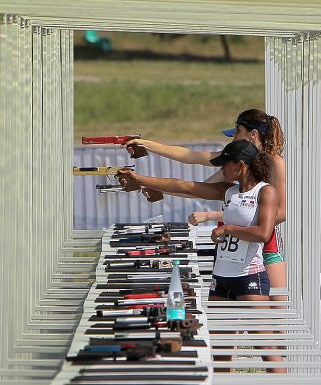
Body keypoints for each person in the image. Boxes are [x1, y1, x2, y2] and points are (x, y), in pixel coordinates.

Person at [117, 139, 282, 372]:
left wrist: (227, 228)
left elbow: (264, 234)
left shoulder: (266, 191)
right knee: (220, 353)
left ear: (241, 165)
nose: (221, 169)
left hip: (249, 278)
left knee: (266, 349)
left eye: (225, 163)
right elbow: (184, 186)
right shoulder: (228, 191)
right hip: (221, 279)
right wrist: (139, 179)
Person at [126, 109, 288, 299]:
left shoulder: (273, 163)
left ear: (253, 134)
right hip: (234, 242)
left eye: (237, 131)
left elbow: (281, 213)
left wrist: (230, 224)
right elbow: (190, 163)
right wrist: (146, 144)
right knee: (229, 317)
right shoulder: (234, 161)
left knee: (276, 314)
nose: (233, 137)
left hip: (265, 242)